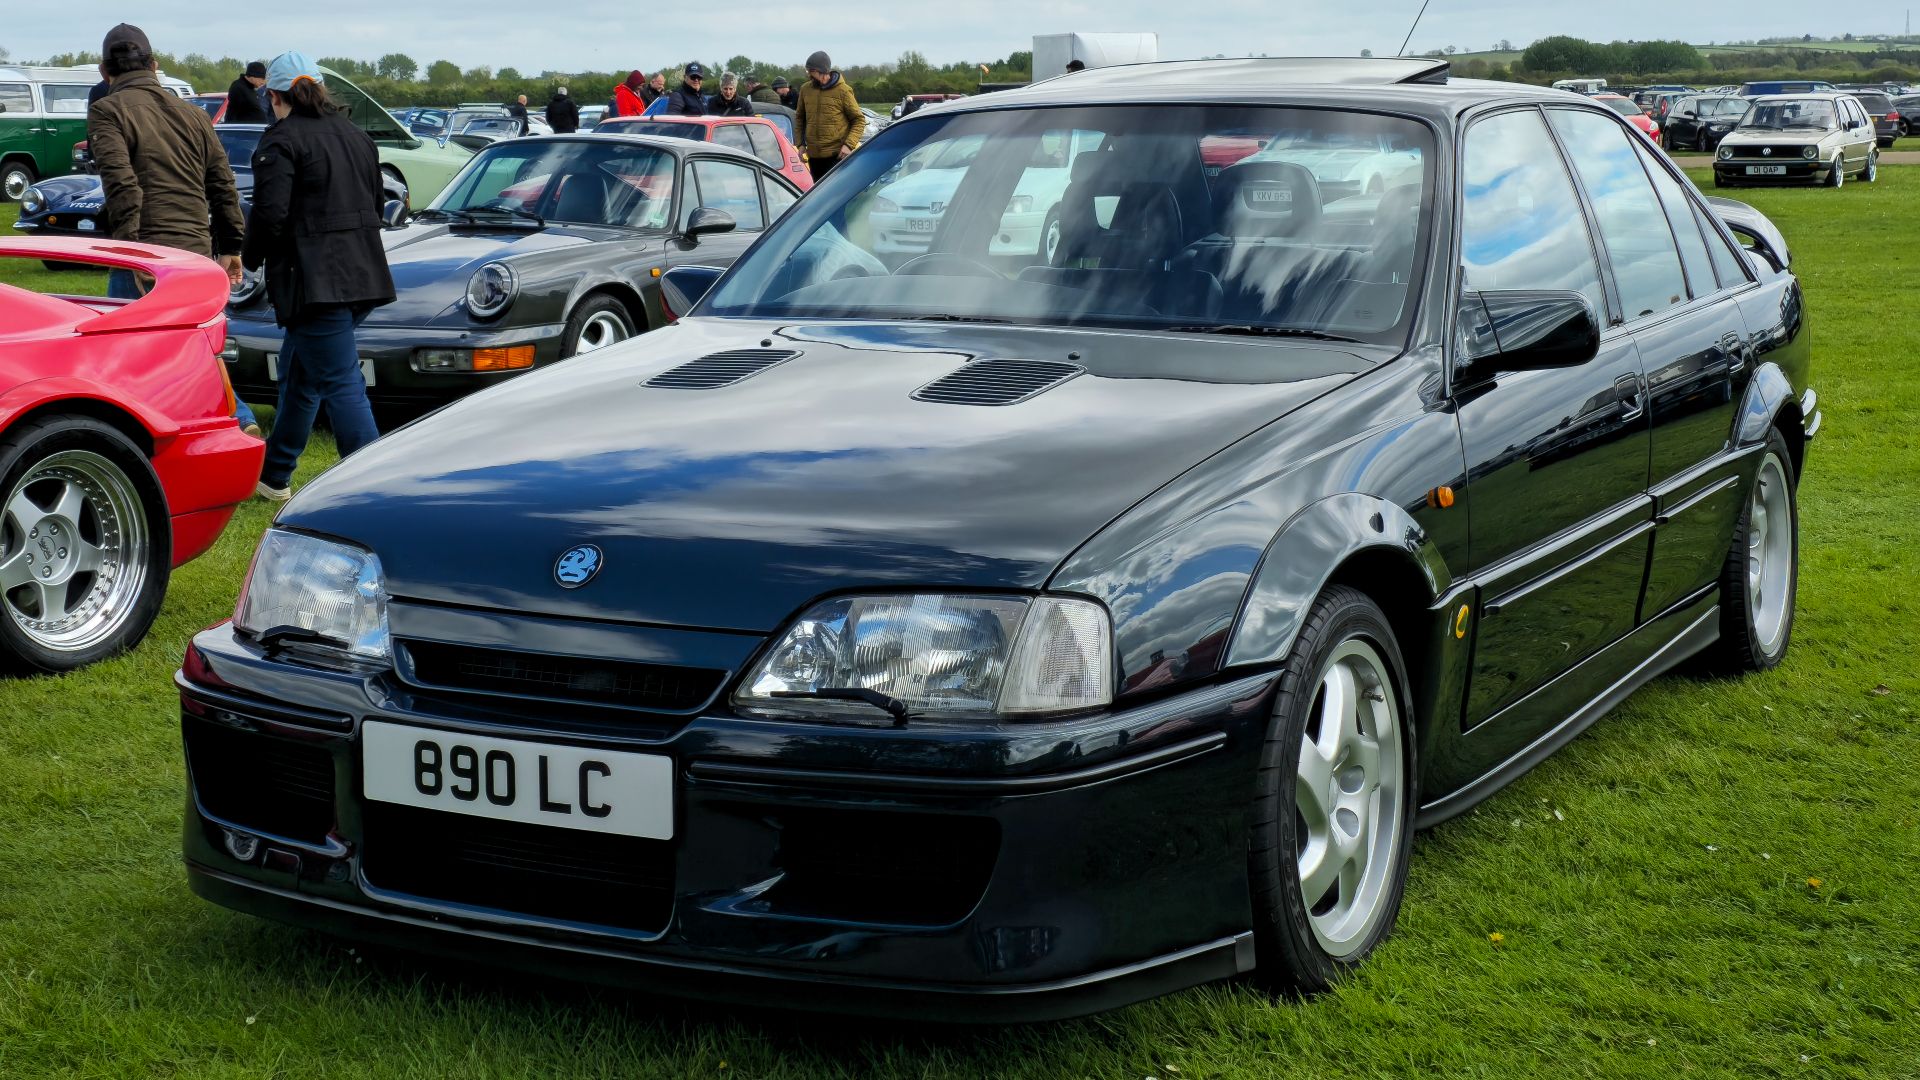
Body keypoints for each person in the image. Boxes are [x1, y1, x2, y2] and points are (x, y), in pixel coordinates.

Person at [88, 25, 258, 433]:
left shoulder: (108, 110)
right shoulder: (194, 114)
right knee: (190, 349)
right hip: (194, 249)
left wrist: (130, 253)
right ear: (155, 65)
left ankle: (161, 438)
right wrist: (231, 244)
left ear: (103, 70)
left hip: (145, 250)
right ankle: (237, 419)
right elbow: (222, 183)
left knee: (127, 358)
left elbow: (122, 186)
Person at [242, 52, 395, 501]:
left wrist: (245, 261)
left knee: (341, 382)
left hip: (315, 282)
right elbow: (375, 202)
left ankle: (371, 487)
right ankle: (274, 474)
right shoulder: (356, 136)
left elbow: (270, 215)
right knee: (299, 375)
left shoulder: (280, 141)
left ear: (273, 96)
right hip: (363, 274)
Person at [794, 51, 865, 181]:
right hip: (814, 157)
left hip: (837, 157)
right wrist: (800, 144)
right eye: (808, 71)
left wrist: (849, 145)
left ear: (822, 70)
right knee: (819, 196)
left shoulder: (843, 90)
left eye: (812, 71)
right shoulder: (805, 89)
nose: (809, 74)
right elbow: (800, 118)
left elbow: (859, 120)